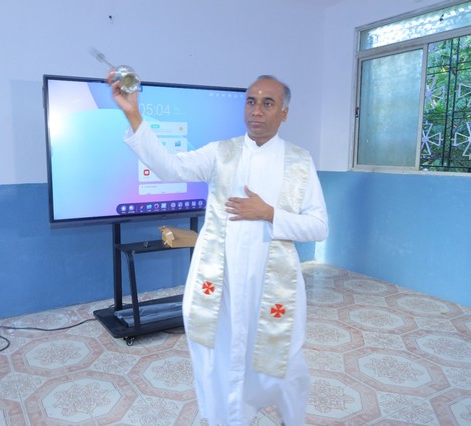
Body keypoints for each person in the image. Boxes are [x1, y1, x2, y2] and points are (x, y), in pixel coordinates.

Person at [109, 72, 329, 426]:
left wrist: (269, 213)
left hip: (271, 286)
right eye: (251, 101)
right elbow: (170, 168)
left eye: (267, 103)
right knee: (221, 359)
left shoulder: (300, 161)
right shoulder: (221, 153)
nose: (256, 110)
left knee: (284, 365)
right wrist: (133, 114)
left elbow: (318, 226)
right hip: (221, 282)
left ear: (284, 113)